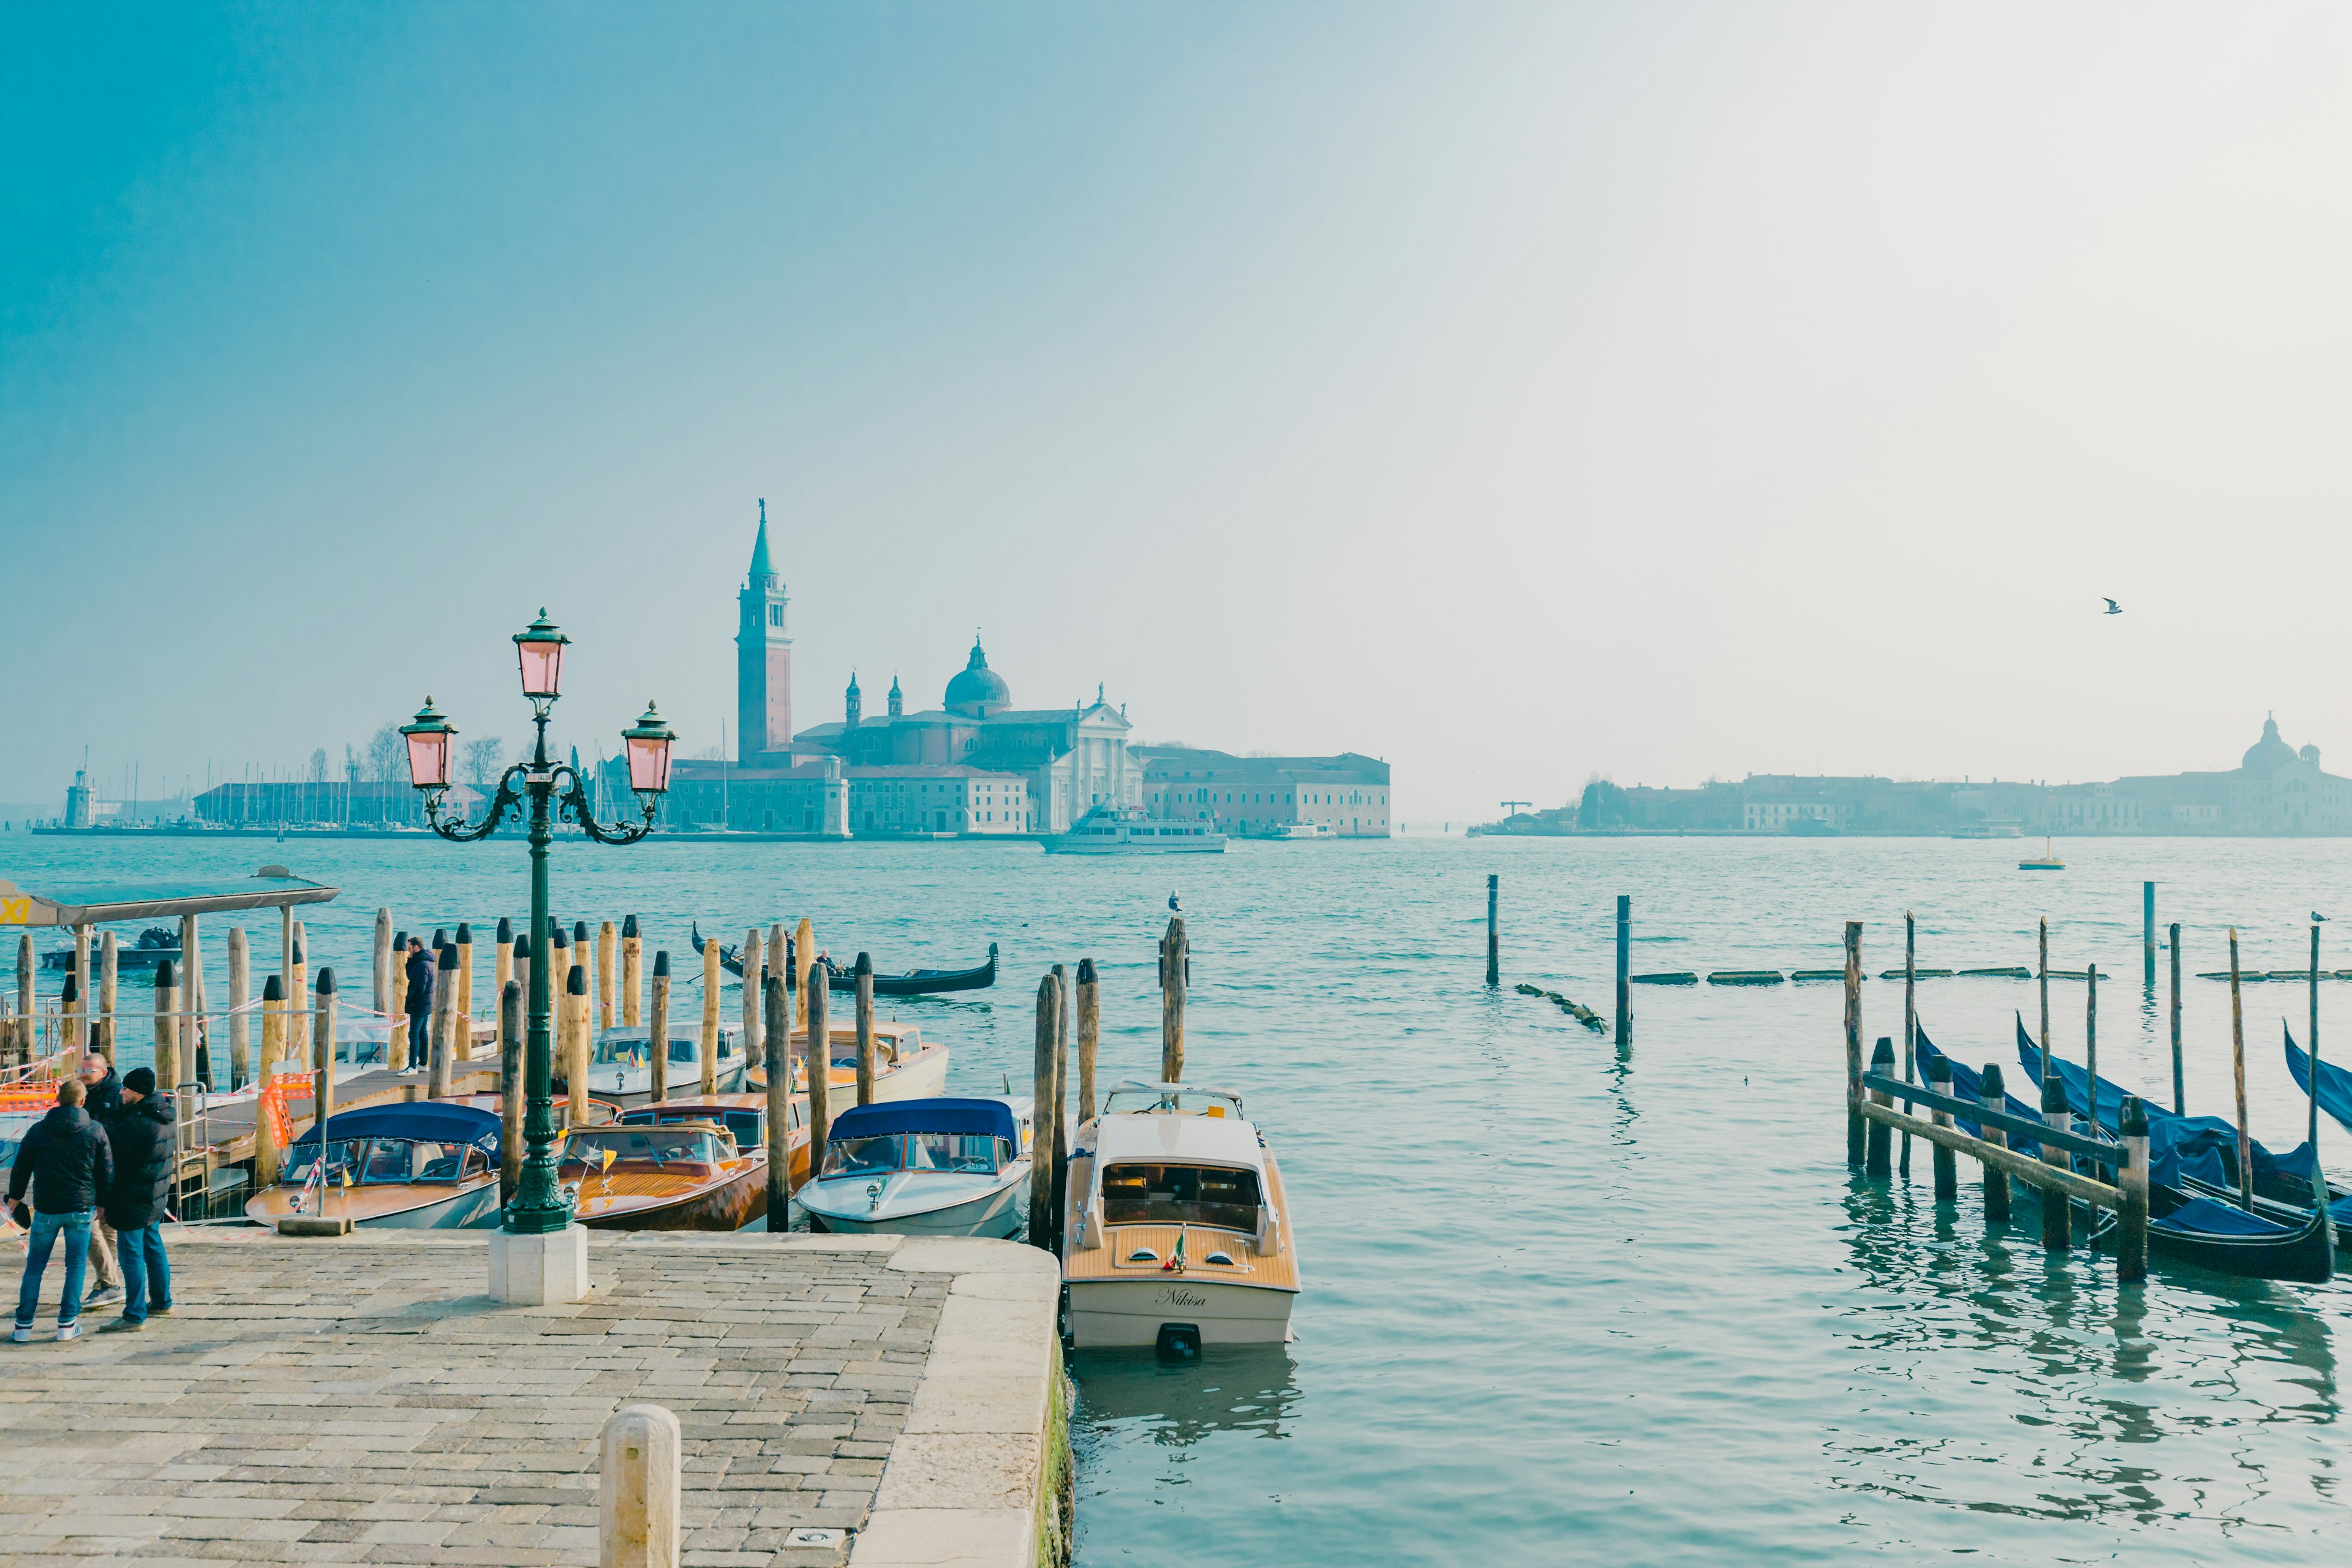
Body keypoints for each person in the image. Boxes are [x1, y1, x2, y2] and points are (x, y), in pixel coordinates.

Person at [8, 1077, 114, 1343]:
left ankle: (23, 1327)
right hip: (81, 1207)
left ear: (58, 1100)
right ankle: (67, 1324)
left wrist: (15, 1197)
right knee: (75, 1266)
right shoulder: (95, 1130)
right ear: (82, 1101)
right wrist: (103, 1202)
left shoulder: (38, 1131)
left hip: (45, 1209)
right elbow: (106, 1171)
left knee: (35, 1267)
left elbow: (21, 1167)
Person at [96, 1068, 173, 1333]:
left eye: (125, 1089)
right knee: (153, 1245)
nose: (120, 1091)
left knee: (131, 1256)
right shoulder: (160, 1115)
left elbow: (113, 1152)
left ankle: (134, 1315)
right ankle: (162, 1301)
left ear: (138, 1093)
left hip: (132, 1197)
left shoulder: (137, 1124)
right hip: (154, 1195)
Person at [73, 1053, 126, 1311]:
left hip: (107, 1168)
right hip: (91, 1168)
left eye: (89, 1070)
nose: (83, 1074)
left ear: (103, 1073)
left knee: (96, 1225)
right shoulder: (85, 1094)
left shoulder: (116, 1096)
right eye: (81, 1069)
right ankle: (107, 1281)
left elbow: (116, 1134)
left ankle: (108, 1283)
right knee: (104, 1226)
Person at [403, 936, 435, 1071]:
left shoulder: (423, 965)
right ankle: (423, 1063)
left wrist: (408, 999)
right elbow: (411, 976)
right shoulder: (423, 961)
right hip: (425, 1002)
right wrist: (410, 961)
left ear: (416, 947)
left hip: (420, 1003)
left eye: (410, 949)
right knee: (422, 1031)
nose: (409, 951)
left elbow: (419, 988)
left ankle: (412, 1066)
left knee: (414, 1033)